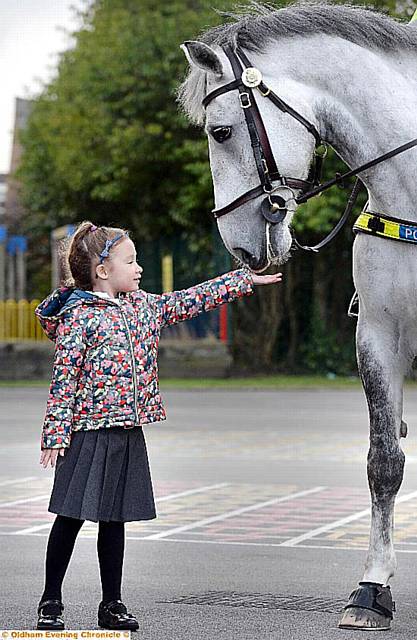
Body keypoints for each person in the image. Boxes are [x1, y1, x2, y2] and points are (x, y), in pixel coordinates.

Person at [35, 220, 283, 631]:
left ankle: (111, 604)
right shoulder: (79, 317)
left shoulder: (142, 307)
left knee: (115, 520)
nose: (139, 268)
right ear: (101, 270)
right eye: (130, 261)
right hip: (87, 432)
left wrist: (243, 280)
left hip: (128, 431)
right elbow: (65, 378)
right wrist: (56, 433)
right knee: (70, 516)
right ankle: (51, 601)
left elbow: (189, 300)